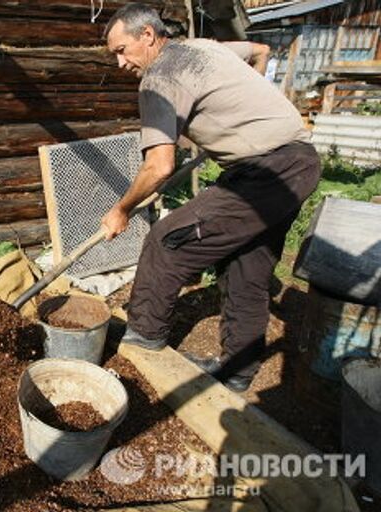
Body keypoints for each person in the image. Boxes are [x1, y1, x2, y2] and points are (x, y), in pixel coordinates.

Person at [100, 4, 321, 392]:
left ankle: (141, 346)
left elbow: (159, 167)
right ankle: (237, 372)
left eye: (122, 50)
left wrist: (121, 209)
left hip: (265, 173)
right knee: (245, 270)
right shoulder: (204, 47)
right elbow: (259, 51)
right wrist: (245, 113)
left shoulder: (159, 78)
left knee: (166, 242)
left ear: (148, 36)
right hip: (300, 163)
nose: (120, 63)